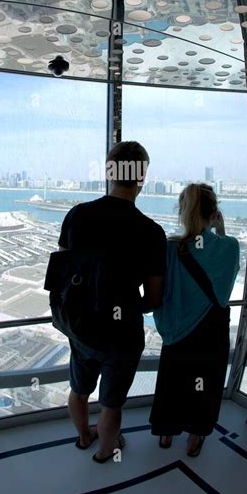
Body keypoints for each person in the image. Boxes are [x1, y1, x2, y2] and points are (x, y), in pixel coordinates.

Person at [58, 141, 166, 462]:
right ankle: (106, 451)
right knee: (111, 404)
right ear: (142, 177)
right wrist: (131, 309)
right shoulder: (151, 232)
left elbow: (61, 275)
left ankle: (83, 437)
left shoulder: (77, 216)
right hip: (122, 335)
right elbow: (154, 297)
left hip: (82, 328)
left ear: (109, 172)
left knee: (79, 391)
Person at [150, 183, 240, 456]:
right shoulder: (229, 246)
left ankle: (166, 433)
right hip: (210, 330)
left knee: (172, 380)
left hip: (177, 331)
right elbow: (225, 287)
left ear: (182, 211)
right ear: (214, 213)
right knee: (205, 382)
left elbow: (161, 290)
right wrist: (220, 231)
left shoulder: (170, 247)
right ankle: (194, 438)